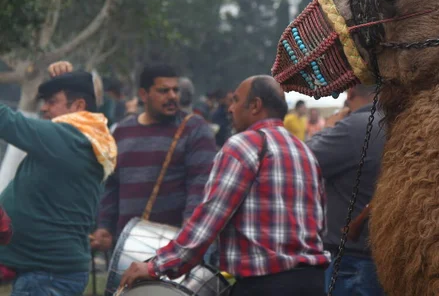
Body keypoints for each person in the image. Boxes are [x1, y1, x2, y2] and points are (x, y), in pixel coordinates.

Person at [120, 75, 330, 296]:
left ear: (256, 106)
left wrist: (155, 266)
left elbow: (209, 219)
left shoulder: (245, 145)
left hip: (265, 286)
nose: (230, 108)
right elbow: (319, 225)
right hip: (312, 283)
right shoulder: (304, 151)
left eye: (236, 101)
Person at [0, 63, 117, 296]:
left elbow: (6, 121)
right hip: (47, 273)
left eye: (52, 102)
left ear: (78, 106)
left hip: (46, 276)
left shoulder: (69, 137)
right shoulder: (89, 137)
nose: (44, 109)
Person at [85, 64, 218, 252]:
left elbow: (200, 182)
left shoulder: (195, 129)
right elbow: (112, 185)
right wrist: (105, 227)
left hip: (173, 246)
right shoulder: (122, 131)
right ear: (143, 95)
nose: (172, 96)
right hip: (127, 245)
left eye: (175, 90)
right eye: (163, 91)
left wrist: (188, 236)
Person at [306, 85, 386, 296]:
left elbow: (303, 159)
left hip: (352, 260)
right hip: (386, 256)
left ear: (349, 94)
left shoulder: (355, 127)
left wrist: (330, 126)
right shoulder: (397, 122)